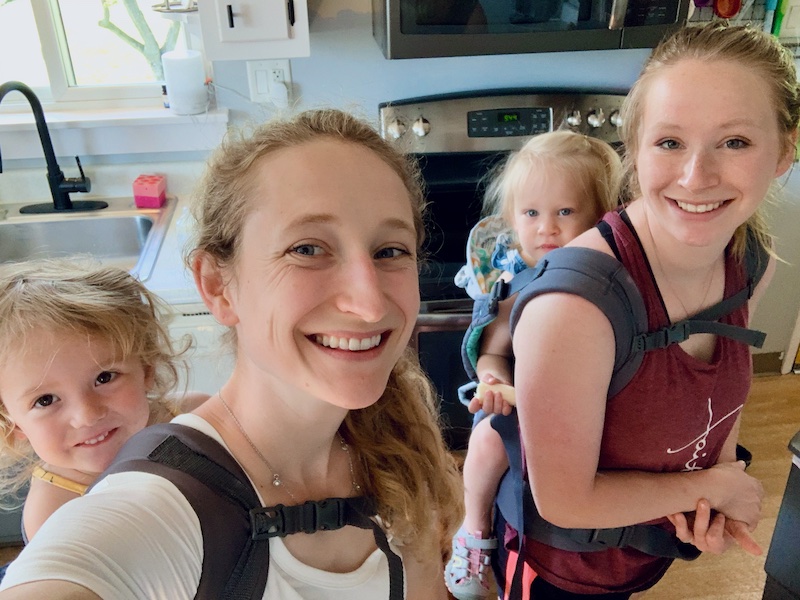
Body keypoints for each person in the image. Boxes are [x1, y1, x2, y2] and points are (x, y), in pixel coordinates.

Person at [0, 108, 464, 599]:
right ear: (218, 285)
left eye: (390, 251)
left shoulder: (396, 452)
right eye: (306, 249)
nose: (369, 305)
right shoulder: (159, 509)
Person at [493, 22, 799, 599]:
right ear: (634, 151)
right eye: (669, 142)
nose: (696, 176)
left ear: (786, 150)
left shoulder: (751, 260)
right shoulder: (575, 306)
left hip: (640, 557)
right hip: (564, 574)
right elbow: (562, 498)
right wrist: (710, 486)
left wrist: (717, 487)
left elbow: (719, 398)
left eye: (734, 142)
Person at [444, 131, 623, 600]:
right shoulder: (520, 279)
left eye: (565, 212)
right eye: (531, 214)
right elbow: (493, 352)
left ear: (600, 215)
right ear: (512, 219)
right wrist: (493, 381)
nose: (547, 228)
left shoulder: (606, 279)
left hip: (589, 410)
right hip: (519, 409)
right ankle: (474, 531)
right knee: (485, 442)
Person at [0, 258, 209, 546]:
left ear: (146, 368)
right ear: (13, 424)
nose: (87, 415)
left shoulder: (196, 419)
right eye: (45, 400)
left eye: (104, 377)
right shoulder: (54, 513)